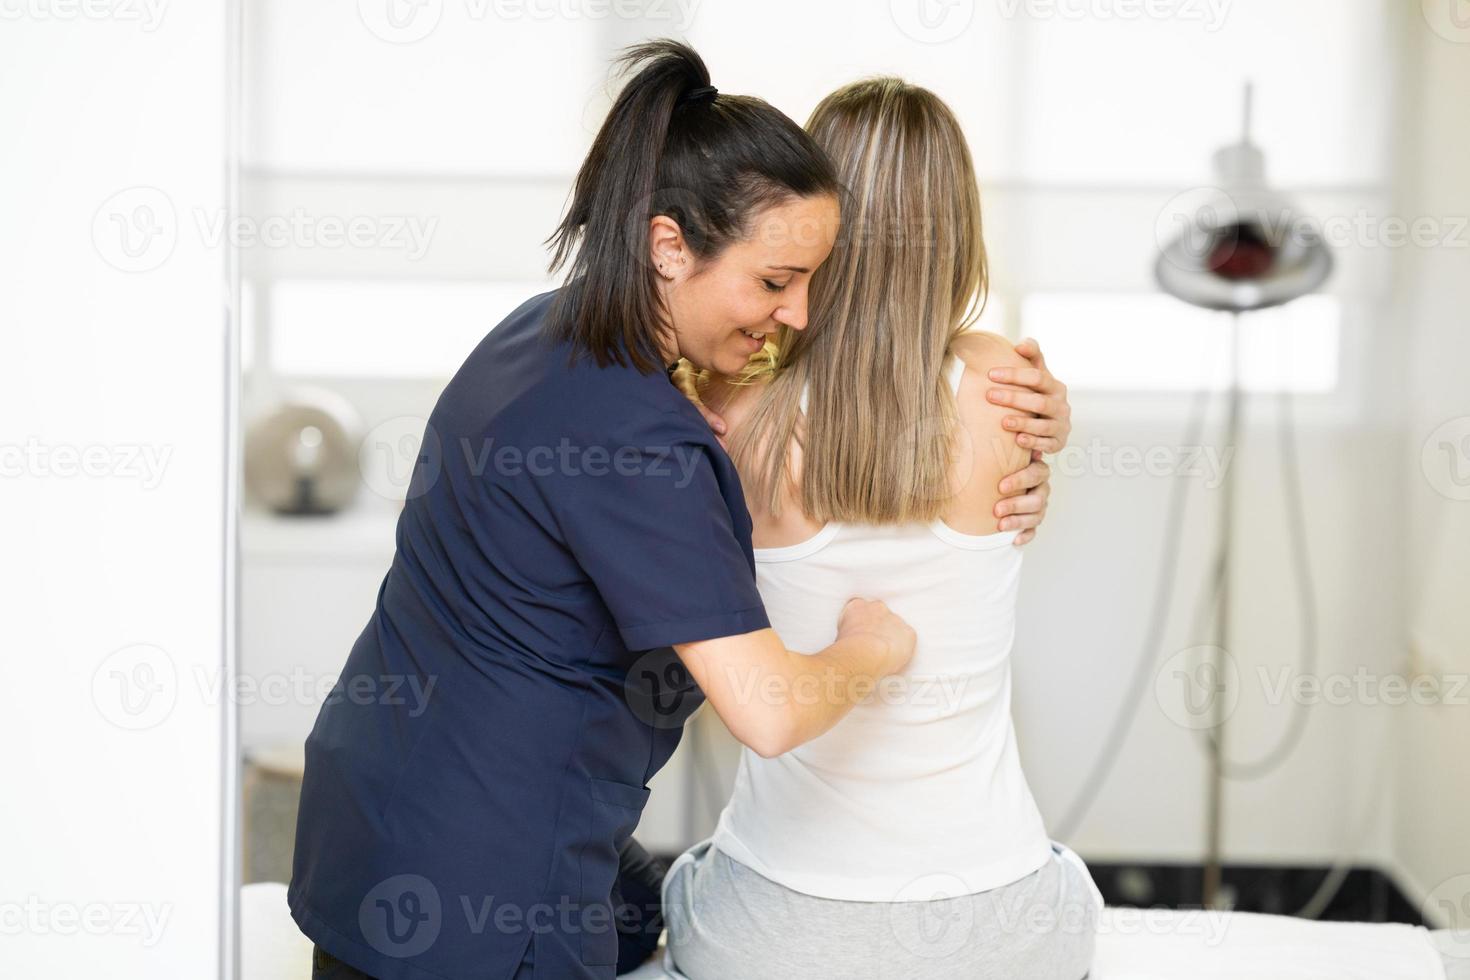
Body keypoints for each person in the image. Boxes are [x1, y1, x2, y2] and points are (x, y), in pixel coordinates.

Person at [289, 43, 1069, 980]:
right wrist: (877, 646)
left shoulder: (540, 328)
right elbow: (770, 713)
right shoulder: (658, 436)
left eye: (812, 280)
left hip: (372, 811)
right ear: (669, 245)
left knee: (638, 912)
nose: (796, 314)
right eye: (776, 282)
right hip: (480, 885)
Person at [661, 78, 1099, 980]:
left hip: (777, 933)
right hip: (1001, 929)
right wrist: (1051, 433)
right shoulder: (1007, 384)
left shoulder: (725, 398)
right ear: (958, 226)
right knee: (1070, 885)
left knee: (686, 887)